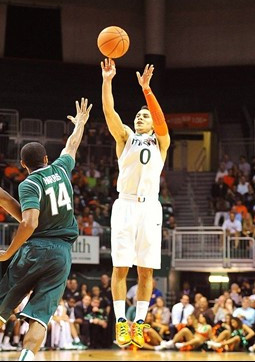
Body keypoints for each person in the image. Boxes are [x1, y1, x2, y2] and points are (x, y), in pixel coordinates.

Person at [0, 97, 92, 361]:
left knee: (2, 306)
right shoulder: (62, 168)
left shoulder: (29, 184)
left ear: (23, 165)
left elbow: (29, 223)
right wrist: (81, 123)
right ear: (46, 158)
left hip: (35, 250)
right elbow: (72, 145)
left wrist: (9, 252)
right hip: (61, 255)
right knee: (40, 317)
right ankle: (27, 357)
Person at [101, 58, 170, 348]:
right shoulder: (125, 137)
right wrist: (107, 81)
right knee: (120, 268)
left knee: (146, 270)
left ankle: (139, 324)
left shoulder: (161, 141)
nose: (139, 119)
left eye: (144, 117)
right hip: (126, 205)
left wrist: (147, 91)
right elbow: (110, 112)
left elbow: (161, 121)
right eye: (137, 117)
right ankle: (120, 322)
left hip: (150, 208)